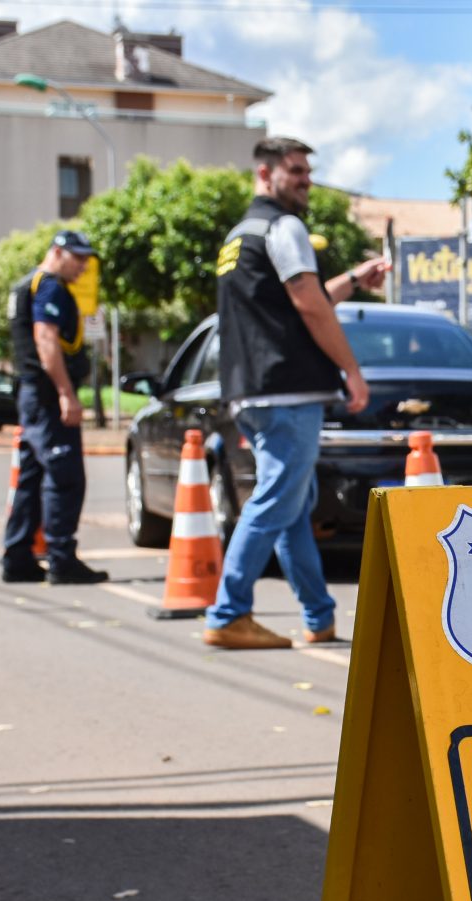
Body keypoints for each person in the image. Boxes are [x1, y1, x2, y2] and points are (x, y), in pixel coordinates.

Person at [202, 136, 389, 650]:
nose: (306, 179)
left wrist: (353, 278)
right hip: (286, 391)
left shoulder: (240, 236)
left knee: (293, 502)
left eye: (308, 171)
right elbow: (308, 303)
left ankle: (319, 615)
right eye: (295, 170)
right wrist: (351, 368)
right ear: (266, 175)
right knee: (275, 501)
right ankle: (228, 612)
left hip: (254, 391)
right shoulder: (285, 228)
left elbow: (298, 299)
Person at [0, 229, 106, 585]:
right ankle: (61, 559)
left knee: (30, 479)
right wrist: (67, 394)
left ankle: (17, 558)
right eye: (78, 258)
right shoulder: (48, 286)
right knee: (65, 478)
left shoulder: (24, 286)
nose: (82, 267)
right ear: (58, 252)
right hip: (47, 397)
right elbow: (45, 340)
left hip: (31, 395)